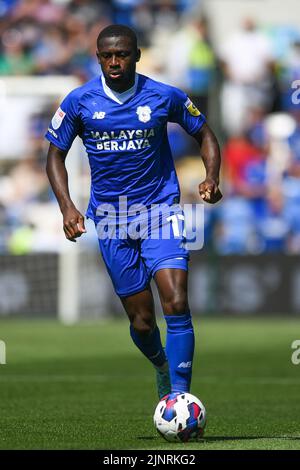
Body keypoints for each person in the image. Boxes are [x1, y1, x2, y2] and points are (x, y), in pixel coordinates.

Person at [45, 24, 222, 400]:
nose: (114, 62)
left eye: (122, 54)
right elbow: (54, 155)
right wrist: (67, 208)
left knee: (175, 300)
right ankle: (160, 364)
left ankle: (178, 397)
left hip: (160, 210)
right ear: (98, 58)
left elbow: (204, 133)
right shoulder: (79, 101)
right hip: (111, 220)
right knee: (142, 321)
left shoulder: (163, 95)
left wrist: (211, 177)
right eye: (107, 56)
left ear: (137, 56)